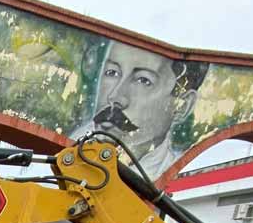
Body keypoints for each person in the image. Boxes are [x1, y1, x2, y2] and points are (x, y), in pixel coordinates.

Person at [70, 41, 209, 178]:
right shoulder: (68, 148)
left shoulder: (176, 182)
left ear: (182, 105)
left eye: (143, 80)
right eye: (112, 72)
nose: (115, 97)